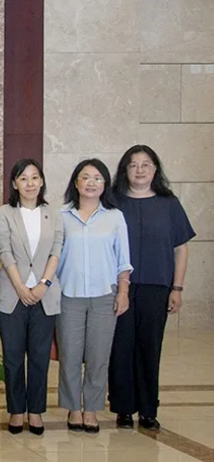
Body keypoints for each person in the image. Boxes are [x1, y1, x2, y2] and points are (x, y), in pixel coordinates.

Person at [109, 145, 194, 430]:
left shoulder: (169, 204)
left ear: (155, 169)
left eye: (146, 164)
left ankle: (148, 409)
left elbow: (181, 248)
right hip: (119, 287)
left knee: (149, 347)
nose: (140, 170)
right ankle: (123, 408)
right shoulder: (113, 202)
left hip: (157, 287)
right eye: (133, 165)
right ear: (125, 170)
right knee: (121, 347)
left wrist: (177, 288)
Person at [56, 159, 132, 433]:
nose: (91, 182)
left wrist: (123, 291)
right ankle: (73, 408)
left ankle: (91, 409)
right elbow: (53, 257)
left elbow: (123, 260)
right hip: (69, 295)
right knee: (70, 355)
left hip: (104, 296)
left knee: (99, 356)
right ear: (76, 182)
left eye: (97, 178)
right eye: (85, 177)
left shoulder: (115, 217)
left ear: (105, 184)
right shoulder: (61, 216)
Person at [0, 159, 63, 436]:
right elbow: (5, 251)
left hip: (45, 296)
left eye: (35, 178)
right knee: (12, 357)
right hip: (13, 295)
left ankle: (35, 411)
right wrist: (21, 287)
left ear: (42, 181)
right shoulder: (4, 213)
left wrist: (43, 284)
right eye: (23, 178)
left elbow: (56, 250)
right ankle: (16, 410)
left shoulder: (54, 214)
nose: (30, 183)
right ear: (14, 184)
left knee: (39, 357)